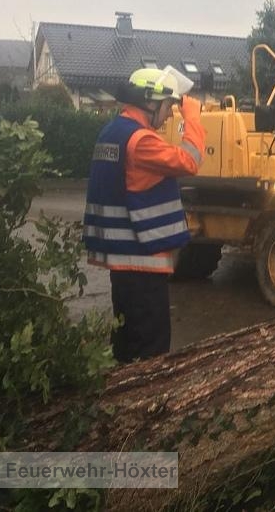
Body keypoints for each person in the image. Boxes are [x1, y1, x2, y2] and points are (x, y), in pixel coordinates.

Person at [83, 66, 206, 363]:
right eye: (168, 106)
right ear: (150, 102)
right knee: (150, 351)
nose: (169, 115)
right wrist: (192, 117)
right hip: (142, 264)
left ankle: (122, 390)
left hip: (121, 262)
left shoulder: (111, 132)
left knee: (126, 344)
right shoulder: (142, 141)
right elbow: (190, 161)